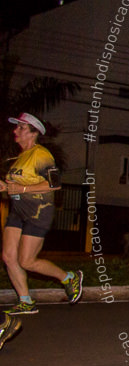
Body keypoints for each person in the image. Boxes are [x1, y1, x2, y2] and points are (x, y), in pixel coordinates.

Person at [2, 113, 83, 315]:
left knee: (26, 261)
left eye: (20, 128)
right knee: (8, 256)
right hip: (17, 212)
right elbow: (17, 187)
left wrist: (21, 190)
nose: (15, 131)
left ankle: (68, 277)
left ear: (33, 132)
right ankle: (26, 301)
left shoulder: (41, 154)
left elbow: (54, 184)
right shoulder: (20, 157)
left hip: (38, 212)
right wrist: (4, 187)